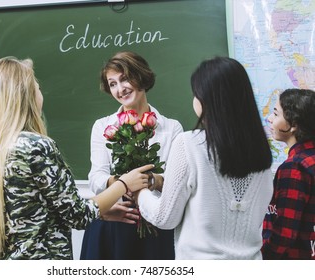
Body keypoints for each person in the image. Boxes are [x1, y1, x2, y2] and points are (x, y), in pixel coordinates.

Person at [0, 56, 153, 260]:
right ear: (27, 95)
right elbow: (78, 215)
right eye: (37, 87)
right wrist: (123, 183)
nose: (40, 92)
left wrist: (102, 212)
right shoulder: (37, 146)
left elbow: (49, 207)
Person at [135, 56, 274, 259]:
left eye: (196, 94)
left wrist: (140, 193)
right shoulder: (261, 150)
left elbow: (164, 217)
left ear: (208, 99)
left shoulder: (190, 144)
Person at [80, 51, 183, 260]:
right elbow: (95, 178)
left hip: (156, 224)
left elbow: (176, 182)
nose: (120, 89)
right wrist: (121, 183)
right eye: (113, 84)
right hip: (114, 222)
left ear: (141, 76)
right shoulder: (102, 126)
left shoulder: (172, 128)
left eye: (125, 78)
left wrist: (150, 181)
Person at [262, 88, 315, 259]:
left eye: (276, 114)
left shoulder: (294, 168)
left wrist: (262, 258)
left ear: (293, 125)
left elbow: (284, 234)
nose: (270, 119)